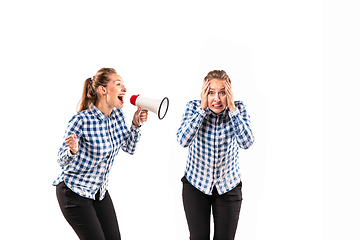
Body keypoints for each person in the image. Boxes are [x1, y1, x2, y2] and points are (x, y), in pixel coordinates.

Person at [53, 68, 148, 240]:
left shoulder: (117, 115)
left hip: (98, 191)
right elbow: (60, 160)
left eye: (124, 85)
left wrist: (136, 124)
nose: (124, 89)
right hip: (74, 192)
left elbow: (129, 148)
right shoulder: (81, 120)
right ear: (102, 90)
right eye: (118, 84)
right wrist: (72, 150)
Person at [176, 70, 255, 240]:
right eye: (211, 93)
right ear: (204, 93)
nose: (216, 99)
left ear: (230, 93)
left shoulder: (239, 109)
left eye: (222, 93)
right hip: (196, 185)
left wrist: (233, 109)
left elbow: (246, 143)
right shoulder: (193, 107)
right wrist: (202, 110)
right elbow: (182, 140)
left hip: (229, 187)